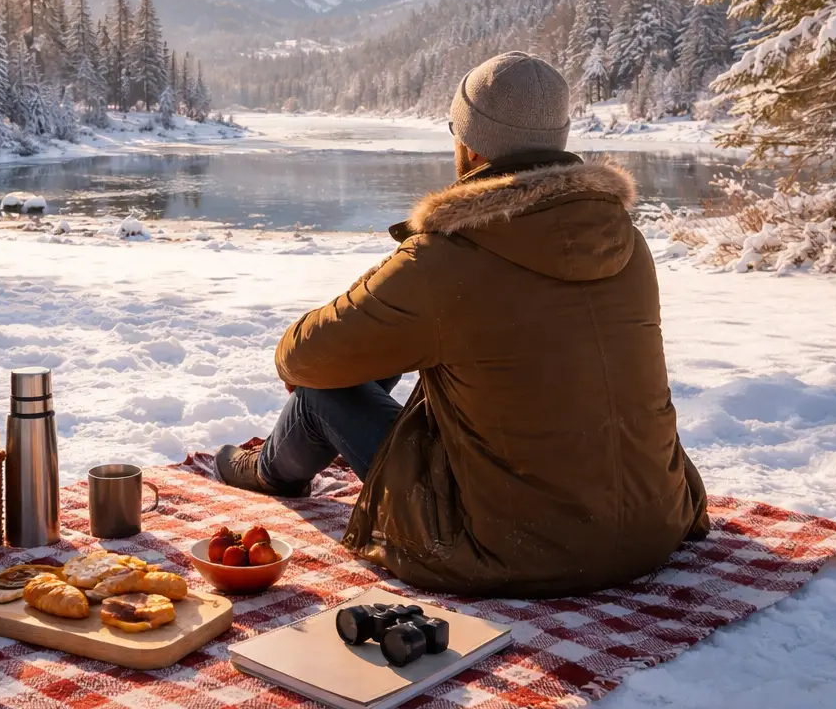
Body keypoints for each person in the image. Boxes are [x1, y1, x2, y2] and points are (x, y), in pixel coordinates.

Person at [215, 51, 709, 598]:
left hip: (509, 548)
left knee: (321, 392)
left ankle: (267, 471)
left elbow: (301, 355)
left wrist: (351, 346)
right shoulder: (626, 242)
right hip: (654, 523)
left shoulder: (450, 255)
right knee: (381, 357)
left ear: (471, 144)